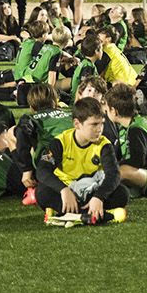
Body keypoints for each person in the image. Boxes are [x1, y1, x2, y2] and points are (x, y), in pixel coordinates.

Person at [34, 97, 128, 226]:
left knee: (122, 194)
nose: (100, 129)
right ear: (77, 124)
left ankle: (71, 215)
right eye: (94, 124)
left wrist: (98, 197)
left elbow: (114, 174)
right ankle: (96, 215)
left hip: (91, 191)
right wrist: (64, 190)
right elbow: (42, 170)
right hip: (67, 191)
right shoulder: (60, 142)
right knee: (41, 192)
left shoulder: (104, 145)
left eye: (102, 123)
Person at [105, 82, 147, 197]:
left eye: (107, 109)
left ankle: (101, 192)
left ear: (114, 111)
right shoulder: (126, 126)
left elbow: (137, 161)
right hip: (144, 171)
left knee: (121, 171)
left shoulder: (137, 129)